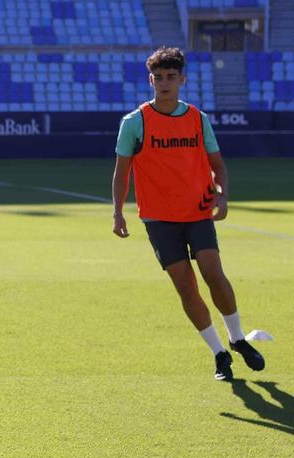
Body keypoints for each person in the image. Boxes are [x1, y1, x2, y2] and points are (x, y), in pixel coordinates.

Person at [112, 47, 265, 382]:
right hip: (158, 218)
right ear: (150, 80)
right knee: (186, 286)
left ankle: (237, 338)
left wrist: (222, 196)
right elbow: (122, 173)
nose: (164, 83)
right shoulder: (134, 122)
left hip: (197, 212)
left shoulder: (198, 119)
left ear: (182, 79)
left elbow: (218, 166)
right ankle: (219, 354)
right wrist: (118, 213)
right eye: (159, 77)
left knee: (214, 274)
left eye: (171, 77)